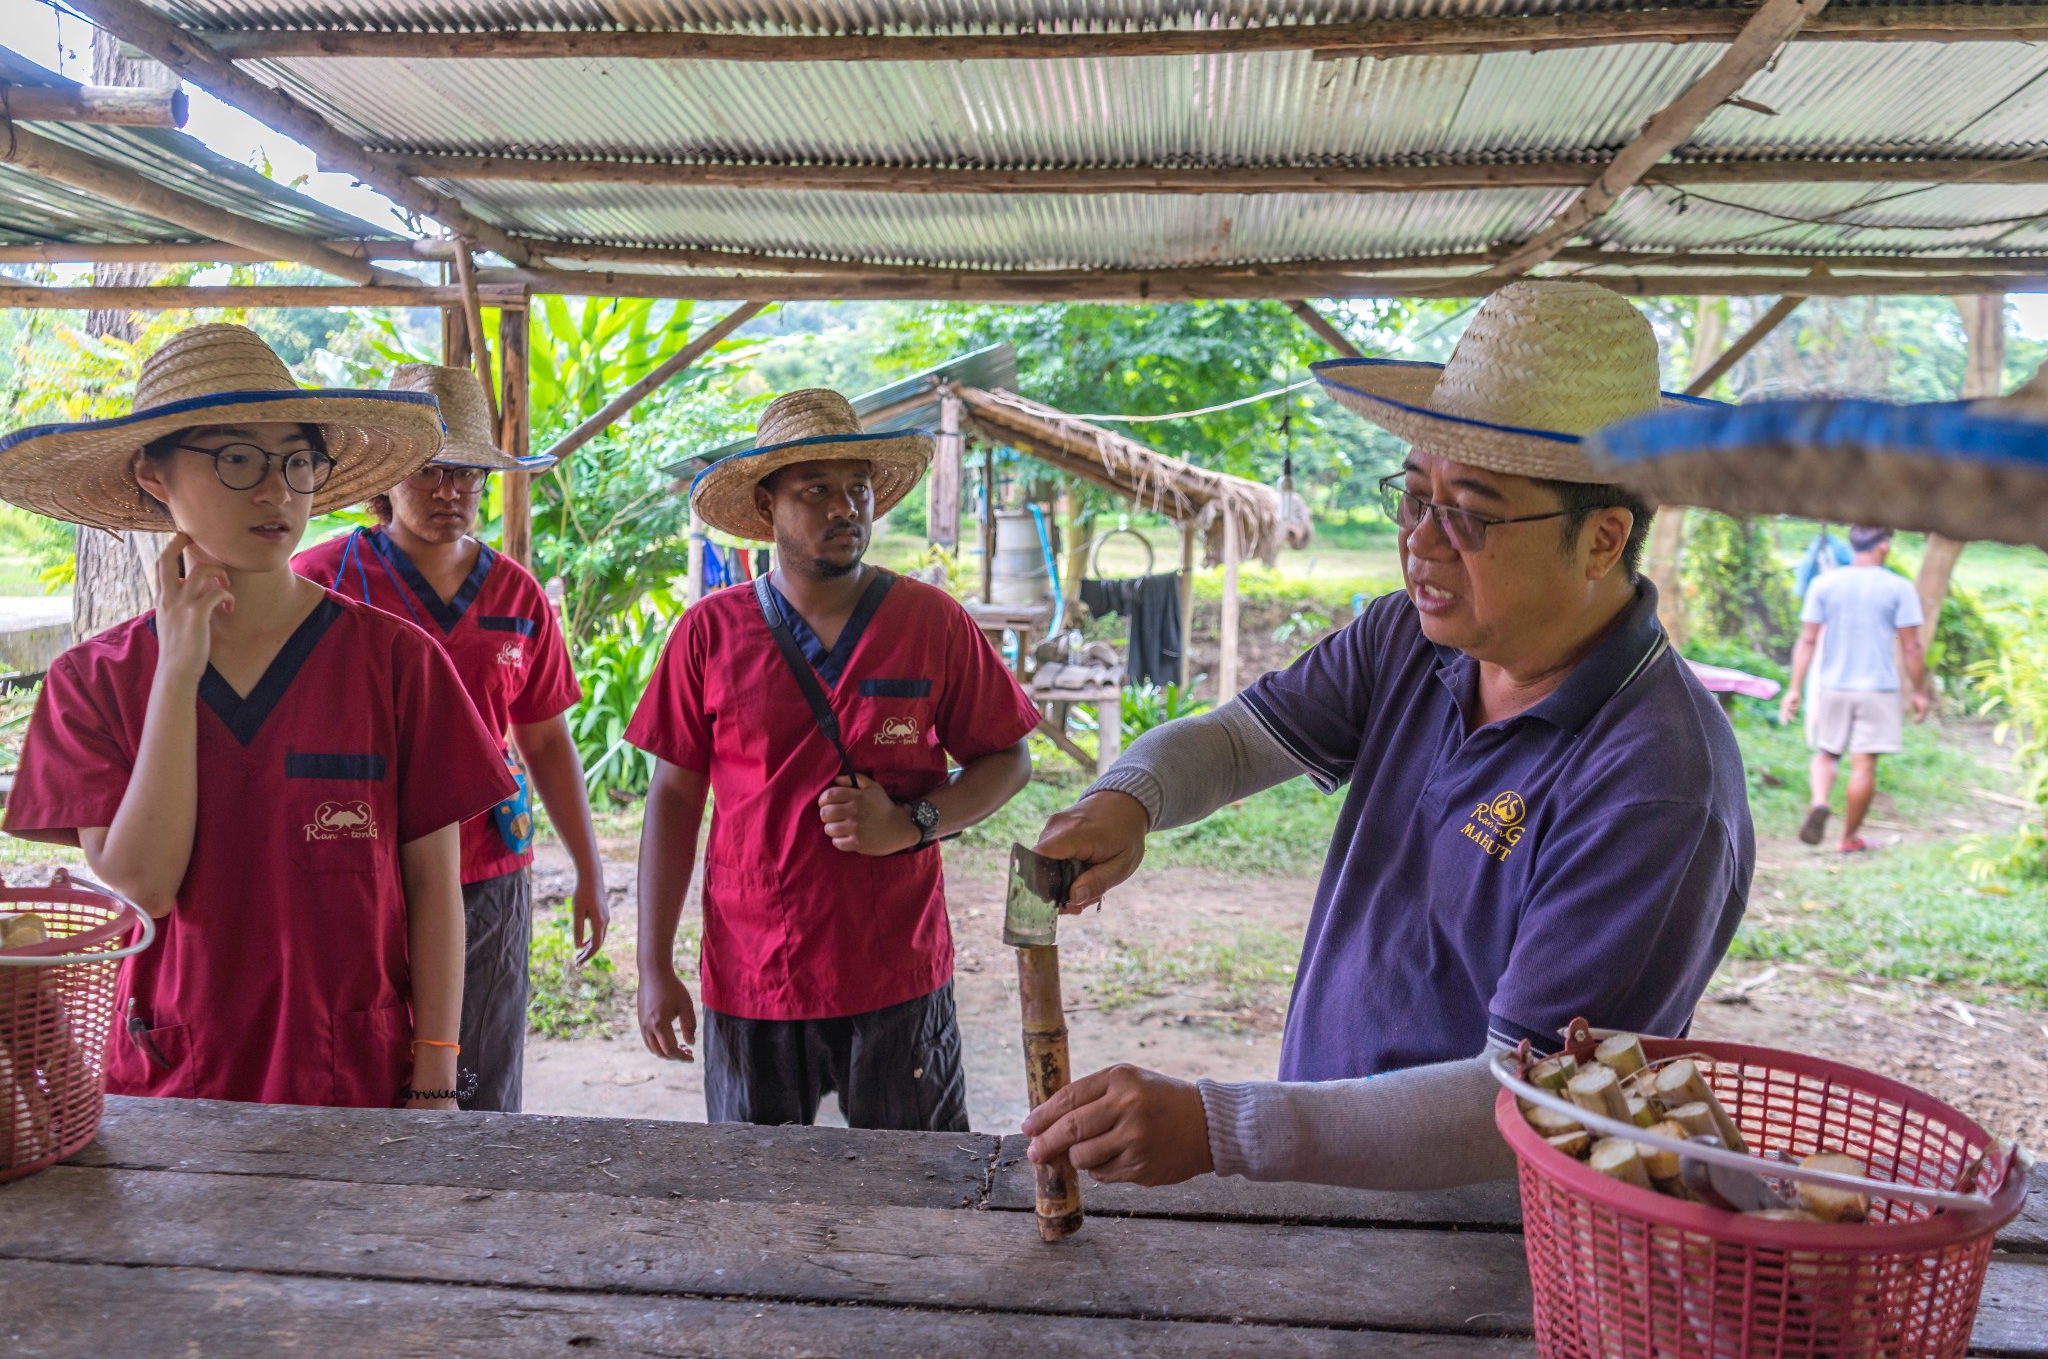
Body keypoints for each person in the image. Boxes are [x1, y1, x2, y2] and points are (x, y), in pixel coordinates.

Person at [1019, 282, 1754, 1190]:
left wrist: (1223, 1127)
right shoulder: (1410, 635)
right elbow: (1239, 740)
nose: (1422, 544)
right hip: (1333, 1185)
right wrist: (1126, 798)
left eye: (1470, 515)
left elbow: (1525, 1106)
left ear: (1602, 540)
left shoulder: (1656, 784)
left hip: (1484, 1241)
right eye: (1413, 498)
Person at [0, 324, 514, 1109]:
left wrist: (437, 1076)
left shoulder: (398, 663)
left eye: (297, 460)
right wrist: (177, 670)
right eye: (237, 457)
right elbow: (142, 883)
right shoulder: (94, 684)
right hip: (174, 1084)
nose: (276, 491)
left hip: (354, 1079)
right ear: (155, 475)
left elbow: (433, 886)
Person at [629, 388, 1041, 1130]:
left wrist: (913, 821)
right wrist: (653, 964)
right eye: (815, 489)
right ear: (767, 506)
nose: (843, 507)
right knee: (759, 1200)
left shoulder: (932, 622)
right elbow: (674, 800)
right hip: (755, 974)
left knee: (916, 1197)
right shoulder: (708, 634)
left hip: (895, 970)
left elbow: (1007, 758)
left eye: (857, 488)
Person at [293, 364, 607, 1111]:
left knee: (480, 1071)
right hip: (358, 864)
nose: (449, 492)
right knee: (355, 1058)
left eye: (467, 475)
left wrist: (589, 869)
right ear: (389, 473)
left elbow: (547, 740)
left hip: (489, 869)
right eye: (430, 471)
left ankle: (475, 1215)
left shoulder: (517, 594)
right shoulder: (321, 581)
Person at [1780, 524, 1929, 853]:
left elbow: (1807, 639)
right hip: (1878, 689)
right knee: (1863, 765)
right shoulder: (1898, 587)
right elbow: (1912, 647)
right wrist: (1919, 692)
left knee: (1825, 754)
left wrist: (1794, 688)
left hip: (1833, 685)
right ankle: (1847, 839)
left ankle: (1820, 801)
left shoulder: (1825, 583)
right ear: (1884, 547)